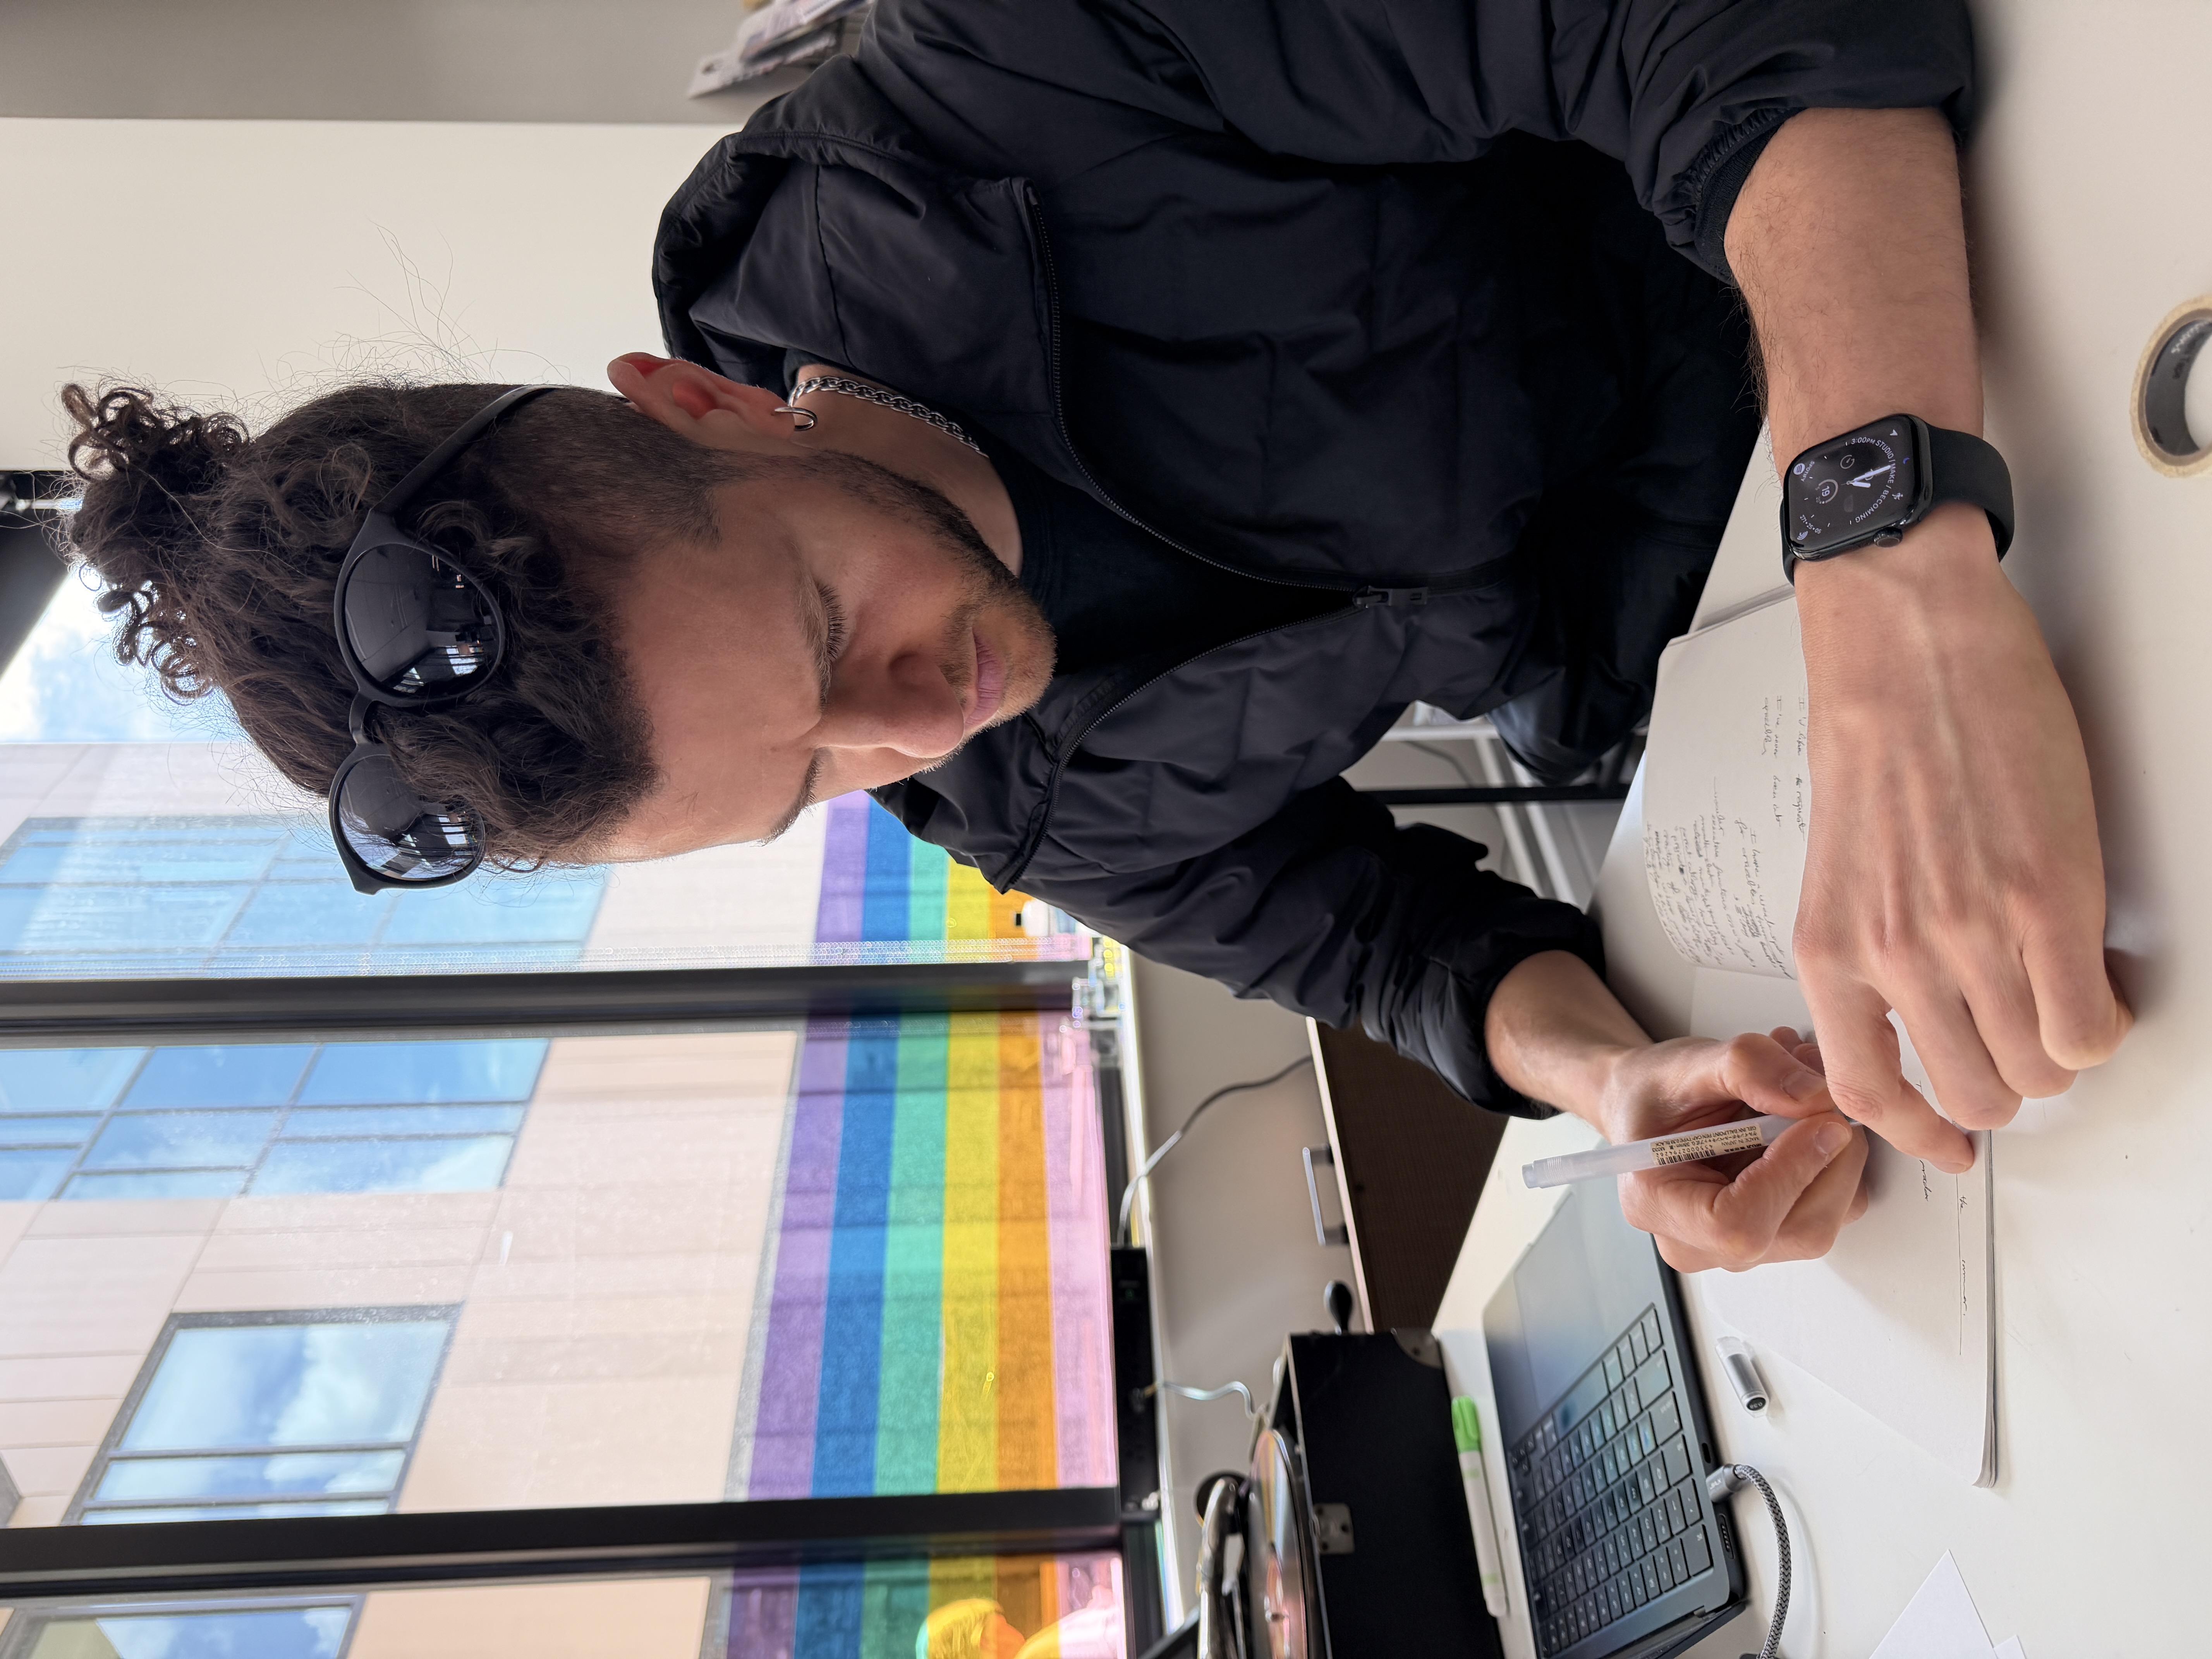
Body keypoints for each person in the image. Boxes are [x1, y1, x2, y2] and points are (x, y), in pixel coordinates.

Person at [58, 0, 2129, 1275]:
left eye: (822, 623)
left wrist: (1890, 564)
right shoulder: (994, 790)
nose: (915, 721)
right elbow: (1368, 940)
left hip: (1986, 273)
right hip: (1800, 639)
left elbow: (1705, 16)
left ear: (692, 401)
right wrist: (1615, 1082)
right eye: (813, 782)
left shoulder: (1038, 67)